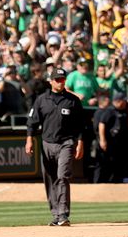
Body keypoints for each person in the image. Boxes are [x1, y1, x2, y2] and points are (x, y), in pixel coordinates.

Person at [25, 67, 86, 226]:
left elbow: (81, 125)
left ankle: (63, 214)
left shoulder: (73, 100)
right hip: (46, 143)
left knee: (62, 176)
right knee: (49, 178)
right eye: (57, 79)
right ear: (50, 81)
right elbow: (32, 122)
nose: (61, 82)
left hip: (66, 142)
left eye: (63, 79)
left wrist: (80, 143)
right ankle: (56, 214)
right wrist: (29, 140)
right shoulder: (42, 99)